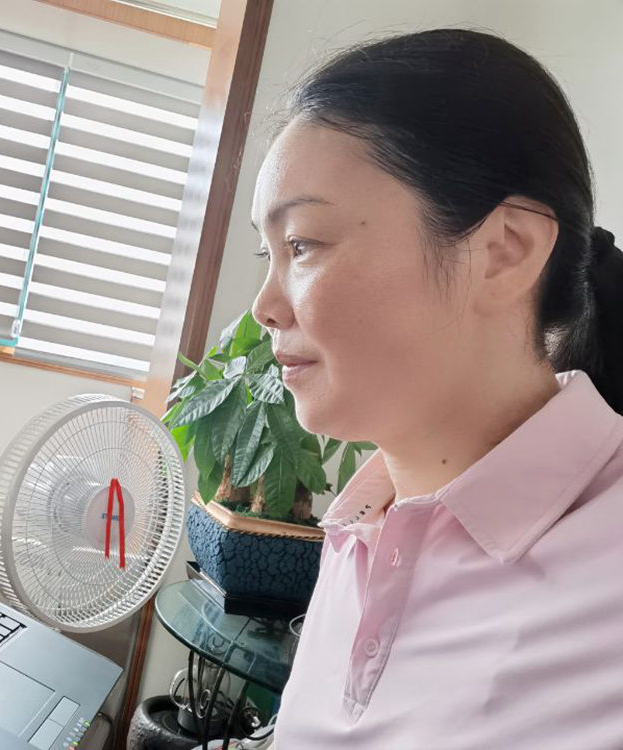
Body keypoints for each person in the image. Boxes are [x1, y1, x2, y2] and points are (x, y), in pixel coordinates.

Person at [250, 29, 623, 748]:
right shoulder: (359, 529)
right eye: (267, 253)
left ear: (505, 251)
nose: (264, 306)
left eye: (302, 244)